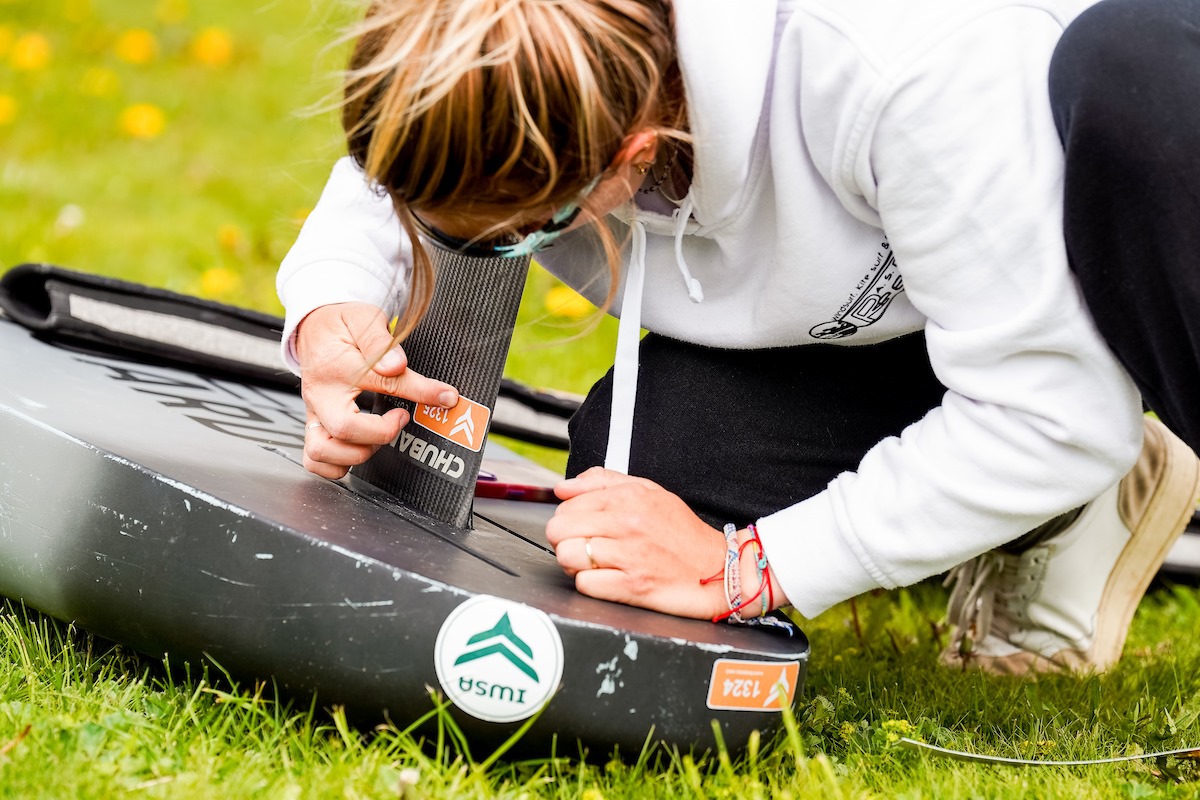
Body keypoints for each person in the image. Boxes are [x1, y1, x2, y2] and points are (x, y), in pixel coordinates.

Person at [277, 0, 1200, 675]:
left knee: (1046, 416)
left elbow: (1048, 410)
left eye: (518, 235)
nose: (487, 255)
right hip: (896, 313)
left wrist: (748, 570)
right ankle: (1042, 496)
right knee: (638, 498)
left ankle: (1085, 496)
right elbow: (411, 147)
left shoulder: (902, 64)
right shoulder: (542, 38)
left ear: (632, 157)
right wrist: (333, 307)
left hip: (1080, 282)